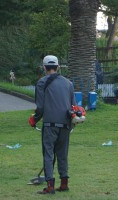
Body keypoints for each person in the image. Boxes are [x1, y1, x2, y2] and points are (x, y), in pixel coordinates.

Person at [28, 55, 76, 194]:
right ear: (58, 67)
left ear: (44, 68)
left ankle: (49, 186)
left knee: (48, 154)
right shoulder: (68, 83)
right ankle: (64, 183)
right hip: (66, 123)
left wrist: (34, 119)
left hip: (50, 124)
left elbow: (40, 107)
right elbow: (74, 106)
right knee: (62, 154)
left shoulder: (42, 83)